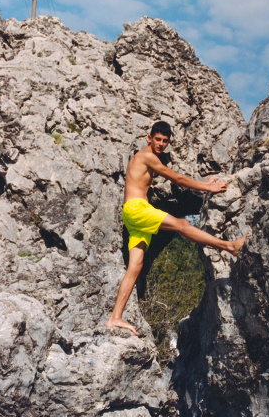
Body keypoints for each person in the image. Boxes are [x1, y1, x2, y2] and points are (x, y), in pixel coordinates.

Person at [105, 120, 250, 336]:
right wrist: (208, 187)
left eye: (165, 141)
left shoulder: (147, 157)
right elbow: (177, 179)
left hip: (133, 214)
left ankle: (115, 318)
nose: (161, 144)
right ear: (149, 138)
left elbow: (179, 179)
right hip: (136, 209)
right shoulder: (146, 156)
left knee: (135, 266)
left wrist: (204, 181)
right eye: (158, 139)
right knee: (182, 225)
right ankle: (230, 246)